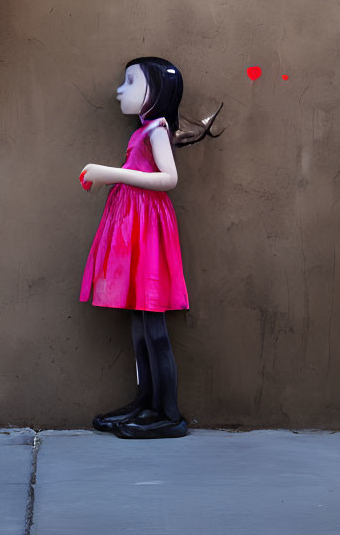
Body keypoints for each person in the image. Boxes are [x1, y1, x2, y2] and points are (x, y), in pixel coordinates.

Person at [79, 56, 222, 439]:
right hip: (134, 225)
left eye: (129, 82)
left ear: (154, 93)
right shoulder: (143, 131)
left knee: (153, 323)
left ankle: (169, 413)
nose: (119, 90)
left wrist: (108, 174)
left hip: (148, 228)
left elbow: (168, 178)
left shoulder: (157, 130)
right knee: (140, 324)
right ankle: (146, 402)